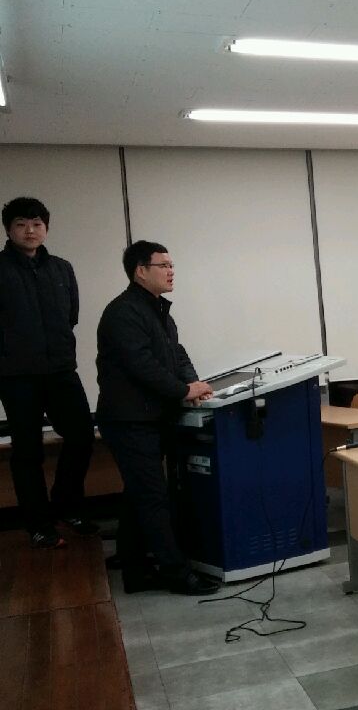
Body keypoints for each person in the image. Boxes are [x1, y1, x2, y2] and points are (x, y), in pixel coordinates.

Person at [97, 241, 218, 596]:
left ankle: (134, 567)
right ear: (140, 271)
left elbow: (176, 354)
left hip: (151, 417)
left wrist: (194, 384)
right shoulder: (123, 312)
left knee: (139, 493)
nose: (171, 271)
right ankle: (175, 572)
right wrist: (183, 390)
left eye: (171, 264)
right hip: (130, 420)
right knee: (152, 496)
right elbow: (142, 365)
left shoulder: (158, 310)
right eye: (163, 265)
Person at [0, 197, 97, 549]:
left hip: (60, 369)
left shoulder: (61, 269)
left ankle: (66, 505)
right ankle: (39, 524)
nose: (30, 230)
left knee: (82, 436)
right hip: (16, 375)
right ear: (8, 230)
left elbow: (71, 315)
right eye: (21, 224)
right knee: (28, 451)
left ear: (46, 228)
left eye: (37, 224)